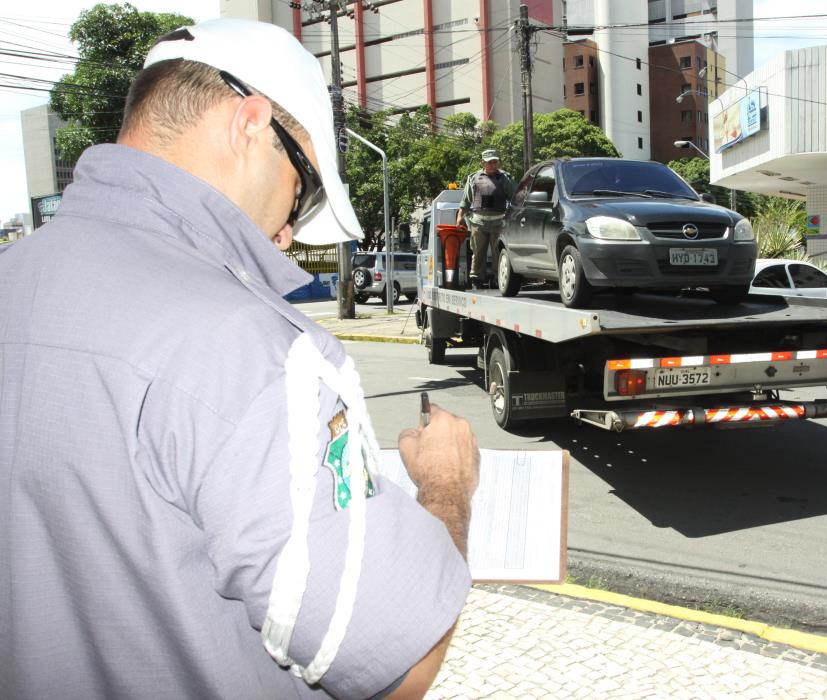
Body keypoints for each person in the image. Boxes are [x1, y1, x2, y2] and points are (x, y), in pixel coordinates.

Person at [0, 19, 479, 700]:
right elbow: (403, 669)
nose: (287, 232)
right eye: (303, 189)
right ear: (251, 124)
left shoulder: (14, 277)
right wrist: (446, 491)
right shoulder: (252, 343)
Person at [455, 149, 516, 288]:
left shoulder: (505, 178)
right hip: (478, 223)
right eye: (490, 162)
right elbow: (465, 201)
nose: (494, 165)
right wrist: (459, 218)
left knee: (498, 253)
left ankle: (498, 278)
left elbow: (515, 197)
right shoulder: (473, 178)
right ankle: (477, 278)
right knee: (478, 252)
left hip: (499, 223)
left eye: (495, 162)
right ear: (482, 162)